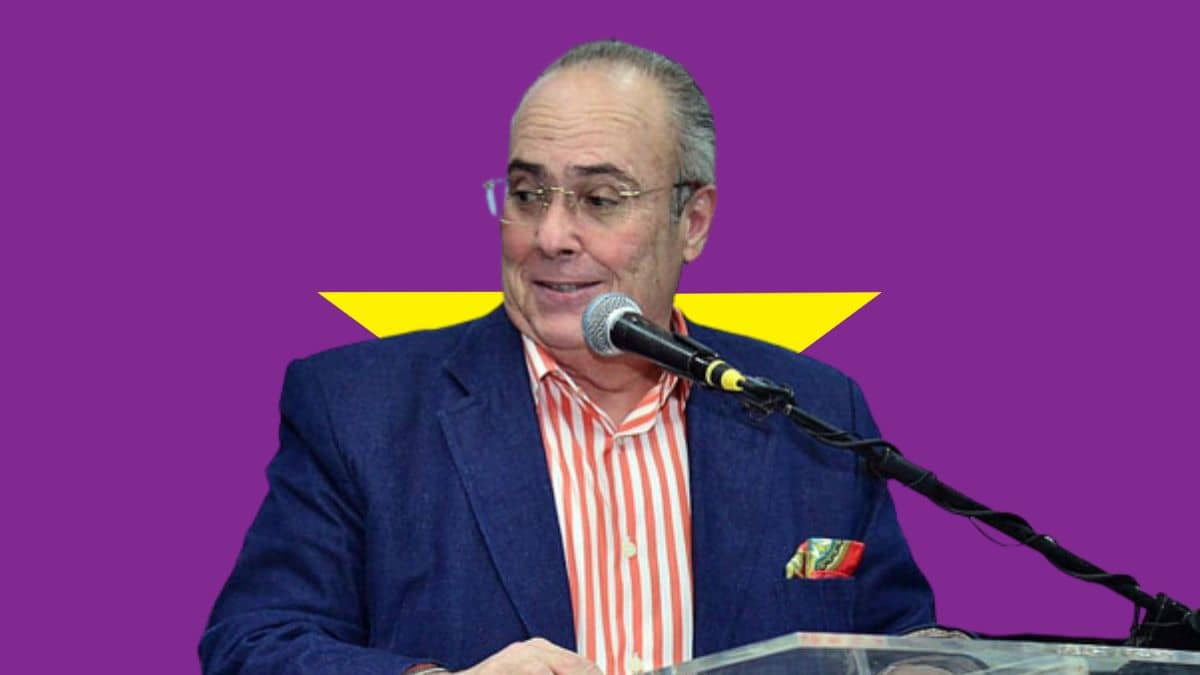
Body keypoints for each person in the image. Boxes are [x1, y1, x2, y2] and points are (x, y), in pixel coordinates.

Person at [200, 40, 935, 675]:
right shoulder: (359, 410)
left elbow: (895, 640)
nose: (550, 236)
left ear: (693, 221)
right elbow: (253, 644)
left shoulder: (811, 409)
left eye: (600, 199)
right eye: (528, 194)